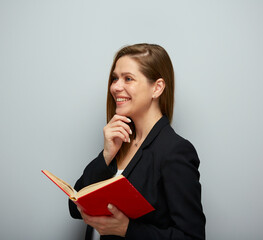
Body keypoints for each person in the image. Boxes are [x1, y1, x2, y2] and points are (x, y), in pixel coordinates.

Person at [69, 43, 206, 240]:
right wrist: (106, 155)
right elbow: (75, 208)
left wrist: (128, 229)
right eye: (115, 78)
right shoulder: (119, 142)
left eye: (128, 78)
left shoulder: (175, 151)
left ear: (157, 88)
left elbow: (192, 237)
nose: (115, 87)